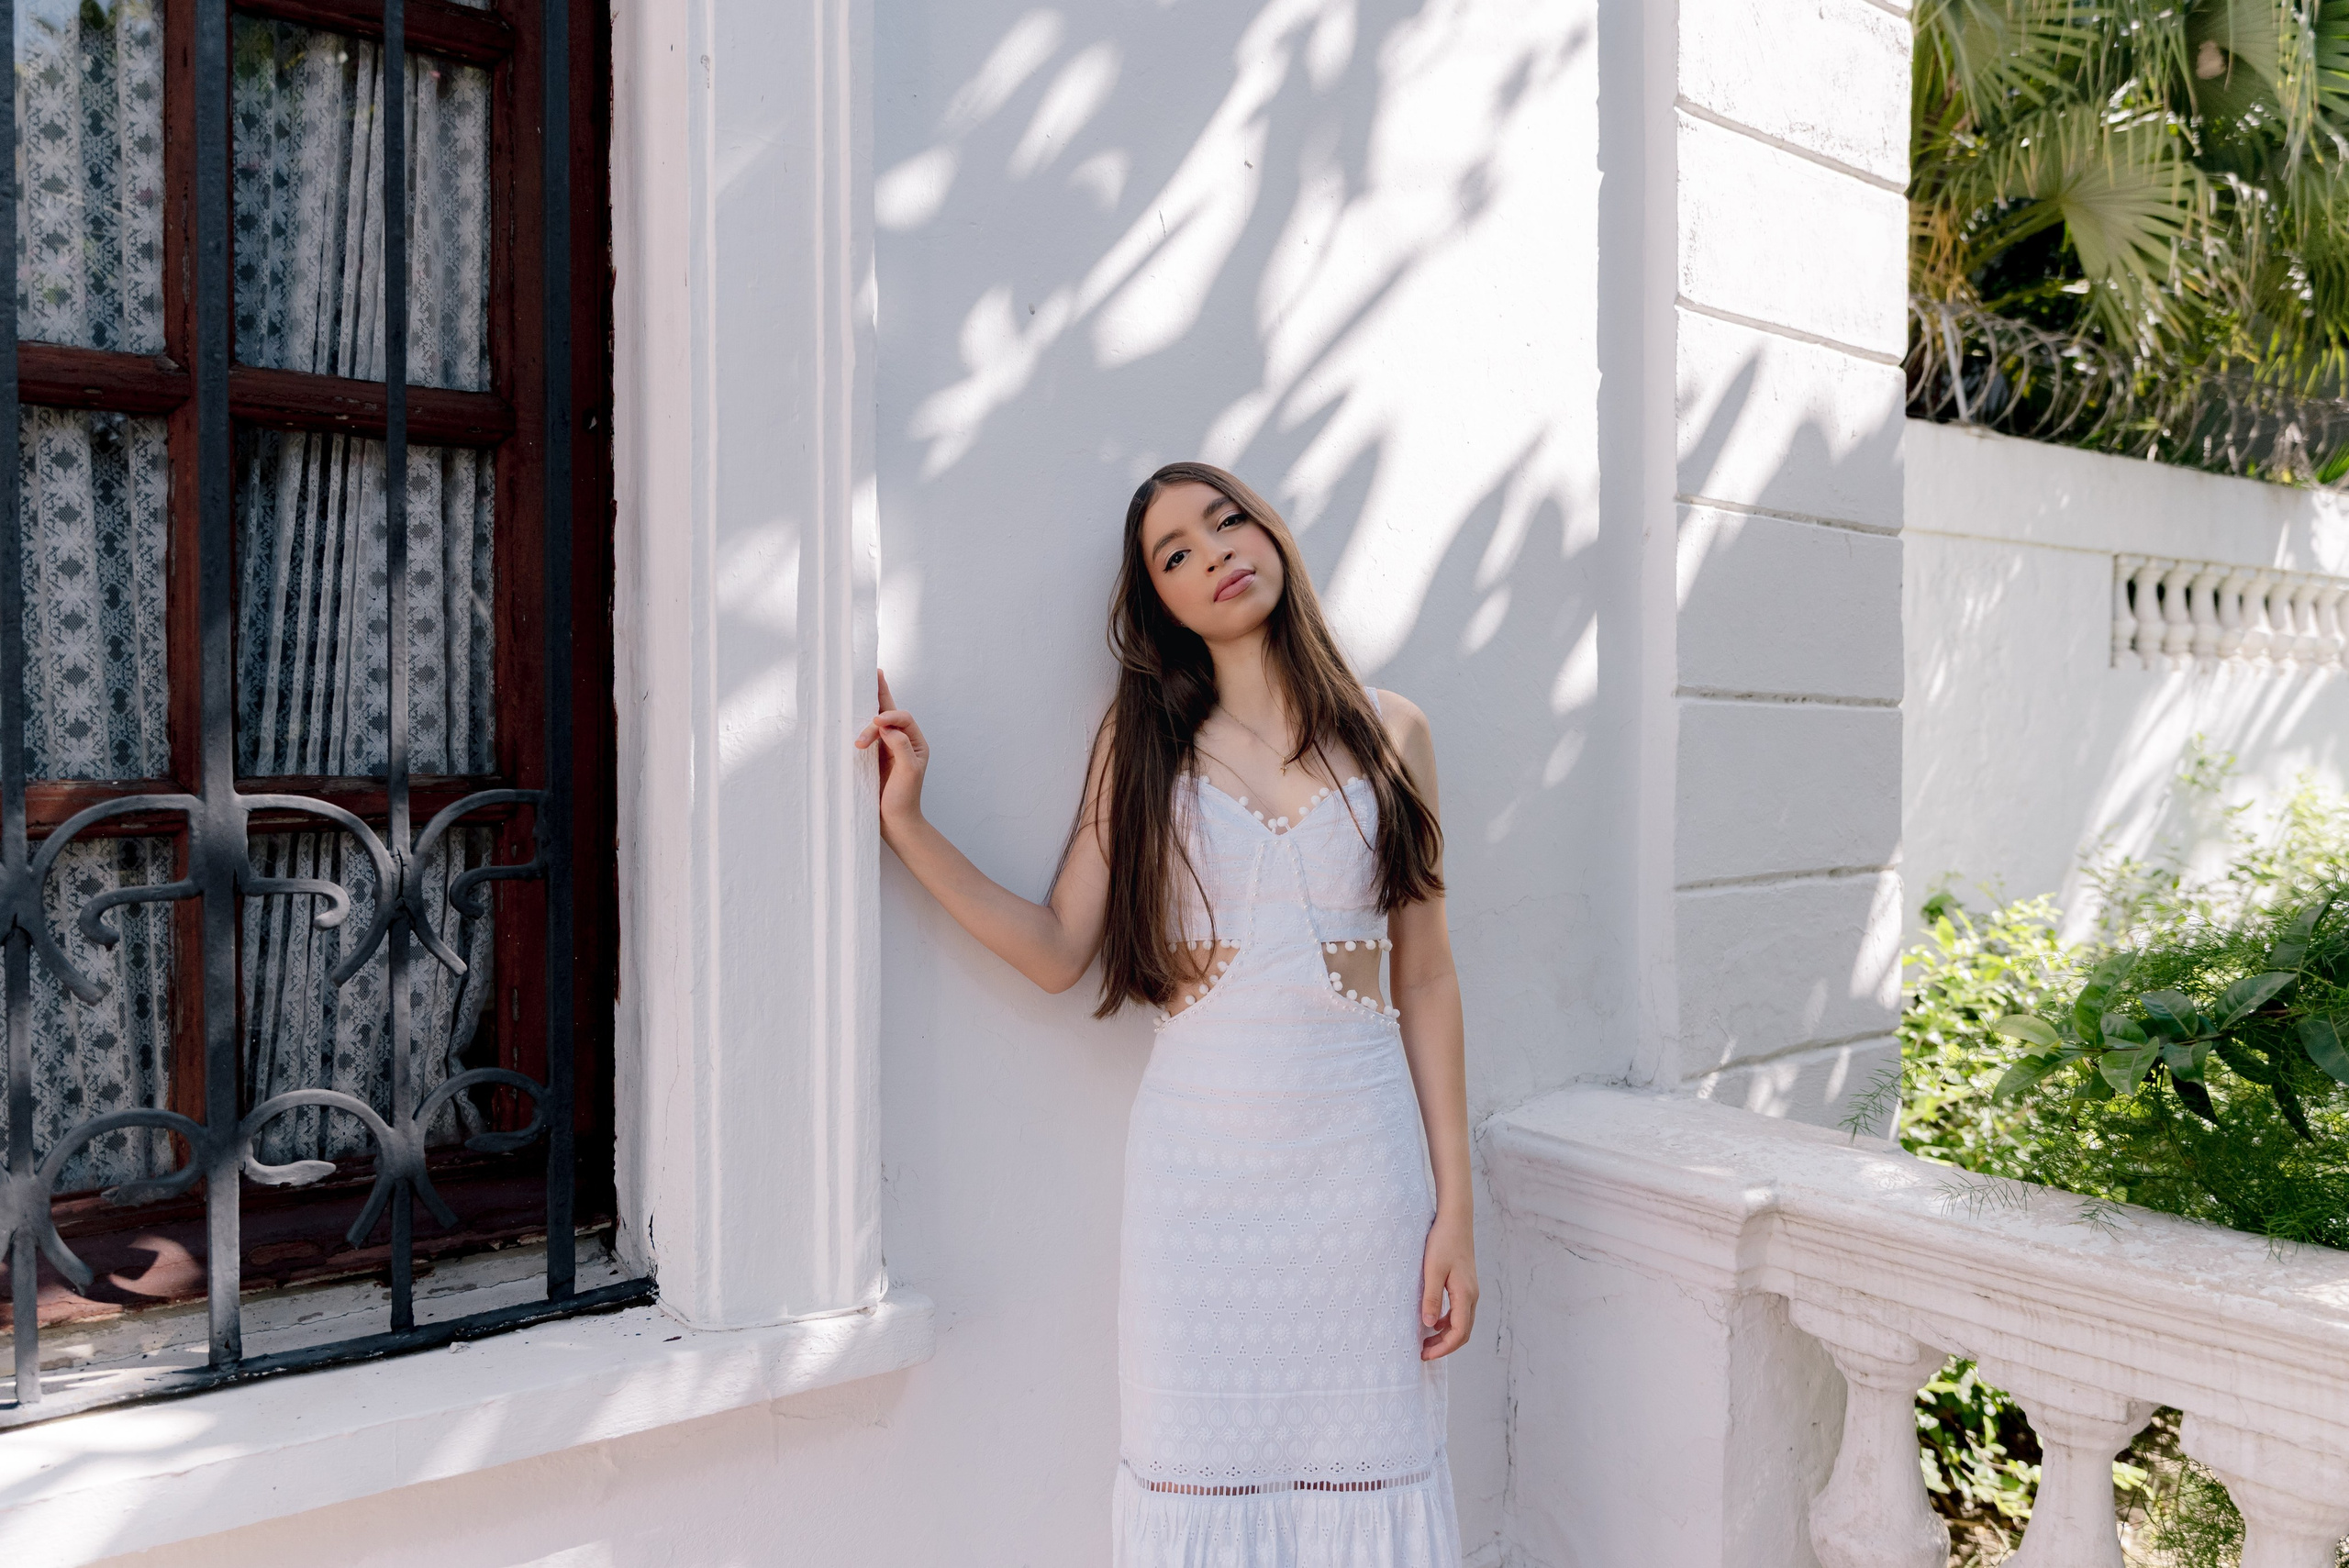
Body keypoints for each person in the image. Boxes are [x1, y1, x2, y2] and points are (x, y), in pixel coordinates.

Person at [856, 462, 1474, 1566]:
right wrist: (909, 826)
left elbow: (1423, 976)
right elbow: (1056, 947)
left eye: (1225, 522)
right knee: (1201, 1477)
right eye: (1175, 554)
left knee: (1371, 1463)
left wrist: (1454, 1210)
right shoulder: (1141, 748)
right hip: (1200, 1193)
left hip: (1364, 1183)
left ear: (1272, 533)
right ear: (1160, 604)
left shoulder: (1394, 734)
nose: (1213, 554)